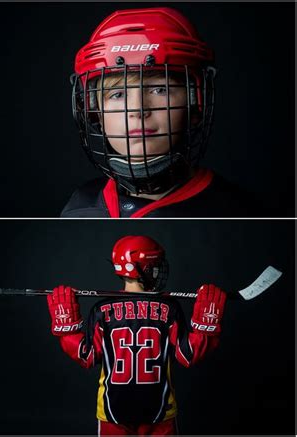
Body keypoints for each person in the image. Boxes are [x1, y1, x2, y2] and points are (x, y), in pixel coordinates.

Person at [63, 7, 253, 217]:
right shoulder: (81, 205)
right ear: (94, 110)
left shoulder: (234, 208)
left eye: (159, 89)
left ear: (196, 101)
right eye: (117, 94)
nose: (138, 109)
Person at [47, 235, 226, 435]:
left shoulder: (102, 309)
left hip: (112, 411)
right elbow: (188, 354)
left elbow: (86, 356)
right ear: (145, 269)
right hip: (160, 412)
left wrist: (68, 329)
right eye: (155, 267)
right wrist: (205, 326)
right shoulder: (169, 308)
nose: (158, 272)